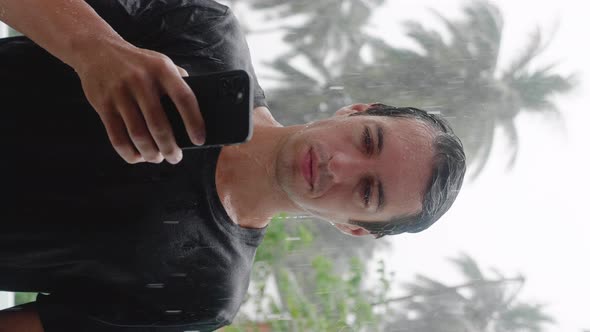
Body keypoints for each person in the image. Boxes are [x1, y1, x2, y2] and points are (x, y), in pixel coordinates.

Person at [0, 0, 466, 331]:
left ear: (355, 228)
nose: (337, 165)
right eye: (368, 141)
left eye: (368, 191)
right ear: (356, 111)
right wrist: (94, 49)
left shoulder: (205, 291)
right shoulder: (206, 35)